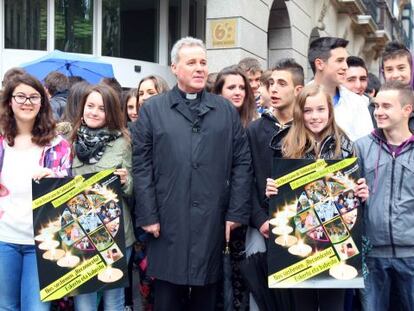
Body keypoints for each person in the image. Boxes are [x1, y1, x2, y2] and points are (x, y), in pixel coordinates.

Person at [131, 37, 252, 311]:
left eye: (203, 62)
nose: (200, 68)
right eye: (191, 63)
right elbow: (142, 165)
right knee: (167, 297)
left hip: (212, 220)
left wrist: (235, 214)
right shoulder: (153, 110)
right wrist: (148, 215)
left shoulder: (224, 111)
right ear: (174, 67)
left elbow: (242, 163)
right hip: (166, 219)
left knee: (206, 296)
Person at [265, 84, 369, 311]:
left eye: (320, 109)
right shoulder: (285, 146)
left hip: (337, 239)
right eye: (308, 110)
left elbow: (353, 196)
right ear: (299, 113)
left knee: (334, 305)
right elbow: (278, 200)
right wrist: (272, 191)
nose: (315, 116)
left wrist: (361, 192)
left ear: (330, 111)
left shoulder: (347, 145)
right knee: (302, 305)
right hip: (299, 238)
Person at [0, 73, 71, 310]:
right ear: (9, 101)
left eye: (34, 97)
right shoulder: (1, 142)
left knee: (37, 308)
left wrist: (55, 180)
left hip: (43, 242)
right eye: (20, 96)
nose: (27, 102)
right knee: (6, 306)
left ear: (42, 102)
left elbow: (70, 194)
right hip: (3, 238)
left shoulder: (58, 145)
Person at [70, 84, 136, 311]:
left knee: (113, 303)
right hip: (80, 235)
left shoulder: (123, 142)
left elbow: (134, 190)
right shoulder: (70, 142)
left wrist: (127, 182)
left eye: (102, 108)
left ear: (111, 113)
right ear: (82, 108)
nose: (94, 112)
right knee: (84, 302)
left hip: (117, 235)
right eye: (90, 106)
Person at [355, 81, 414, 311]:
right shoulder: (360, 147)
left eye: (386, 106)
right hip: (372, 256)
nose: (378, 111)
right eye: (376, 105)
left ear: (407, 110)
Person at [308, 37, 373, 141]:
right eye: (339, 61)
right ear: (320, 64)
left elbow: (365, 148)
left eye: (346, 61)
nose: (345, 67)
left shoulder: (357, 102)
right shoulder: (298, 99)